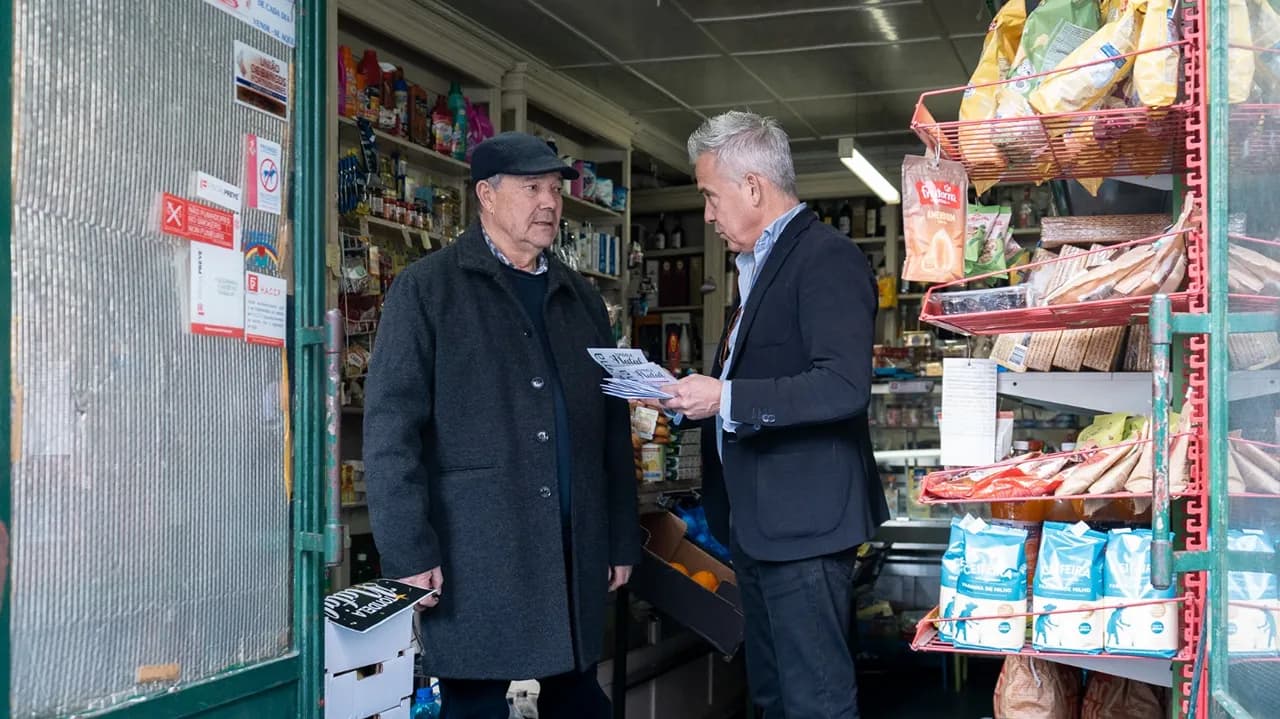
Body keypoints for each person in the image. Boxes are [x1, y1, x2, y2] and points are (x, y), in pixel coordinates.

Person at [363, 131, 641, 719]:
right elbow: (391, 435)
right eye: (532, 188)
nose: (549, 203)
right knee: (475, 704)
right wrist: (408, 552)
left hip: (573, 546)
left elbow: (612, 430)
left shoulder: (581, 299)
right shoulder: (428, 289)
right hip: (476, 548)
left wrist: (619, 536)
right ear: (486, 196)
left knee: (577, 696)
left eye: (555, 190)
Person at [661, 111, 890, 719]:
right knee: (770, 699)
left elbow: (842, 386)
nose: (707, 215)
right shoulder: (757, 266)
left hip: (805, 528)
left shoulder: (826, 257)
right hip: (759, 525)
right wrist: (684, 397)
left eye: (710, 196)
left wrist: (723, 398)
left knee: (814, 701)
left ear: (754, 187)